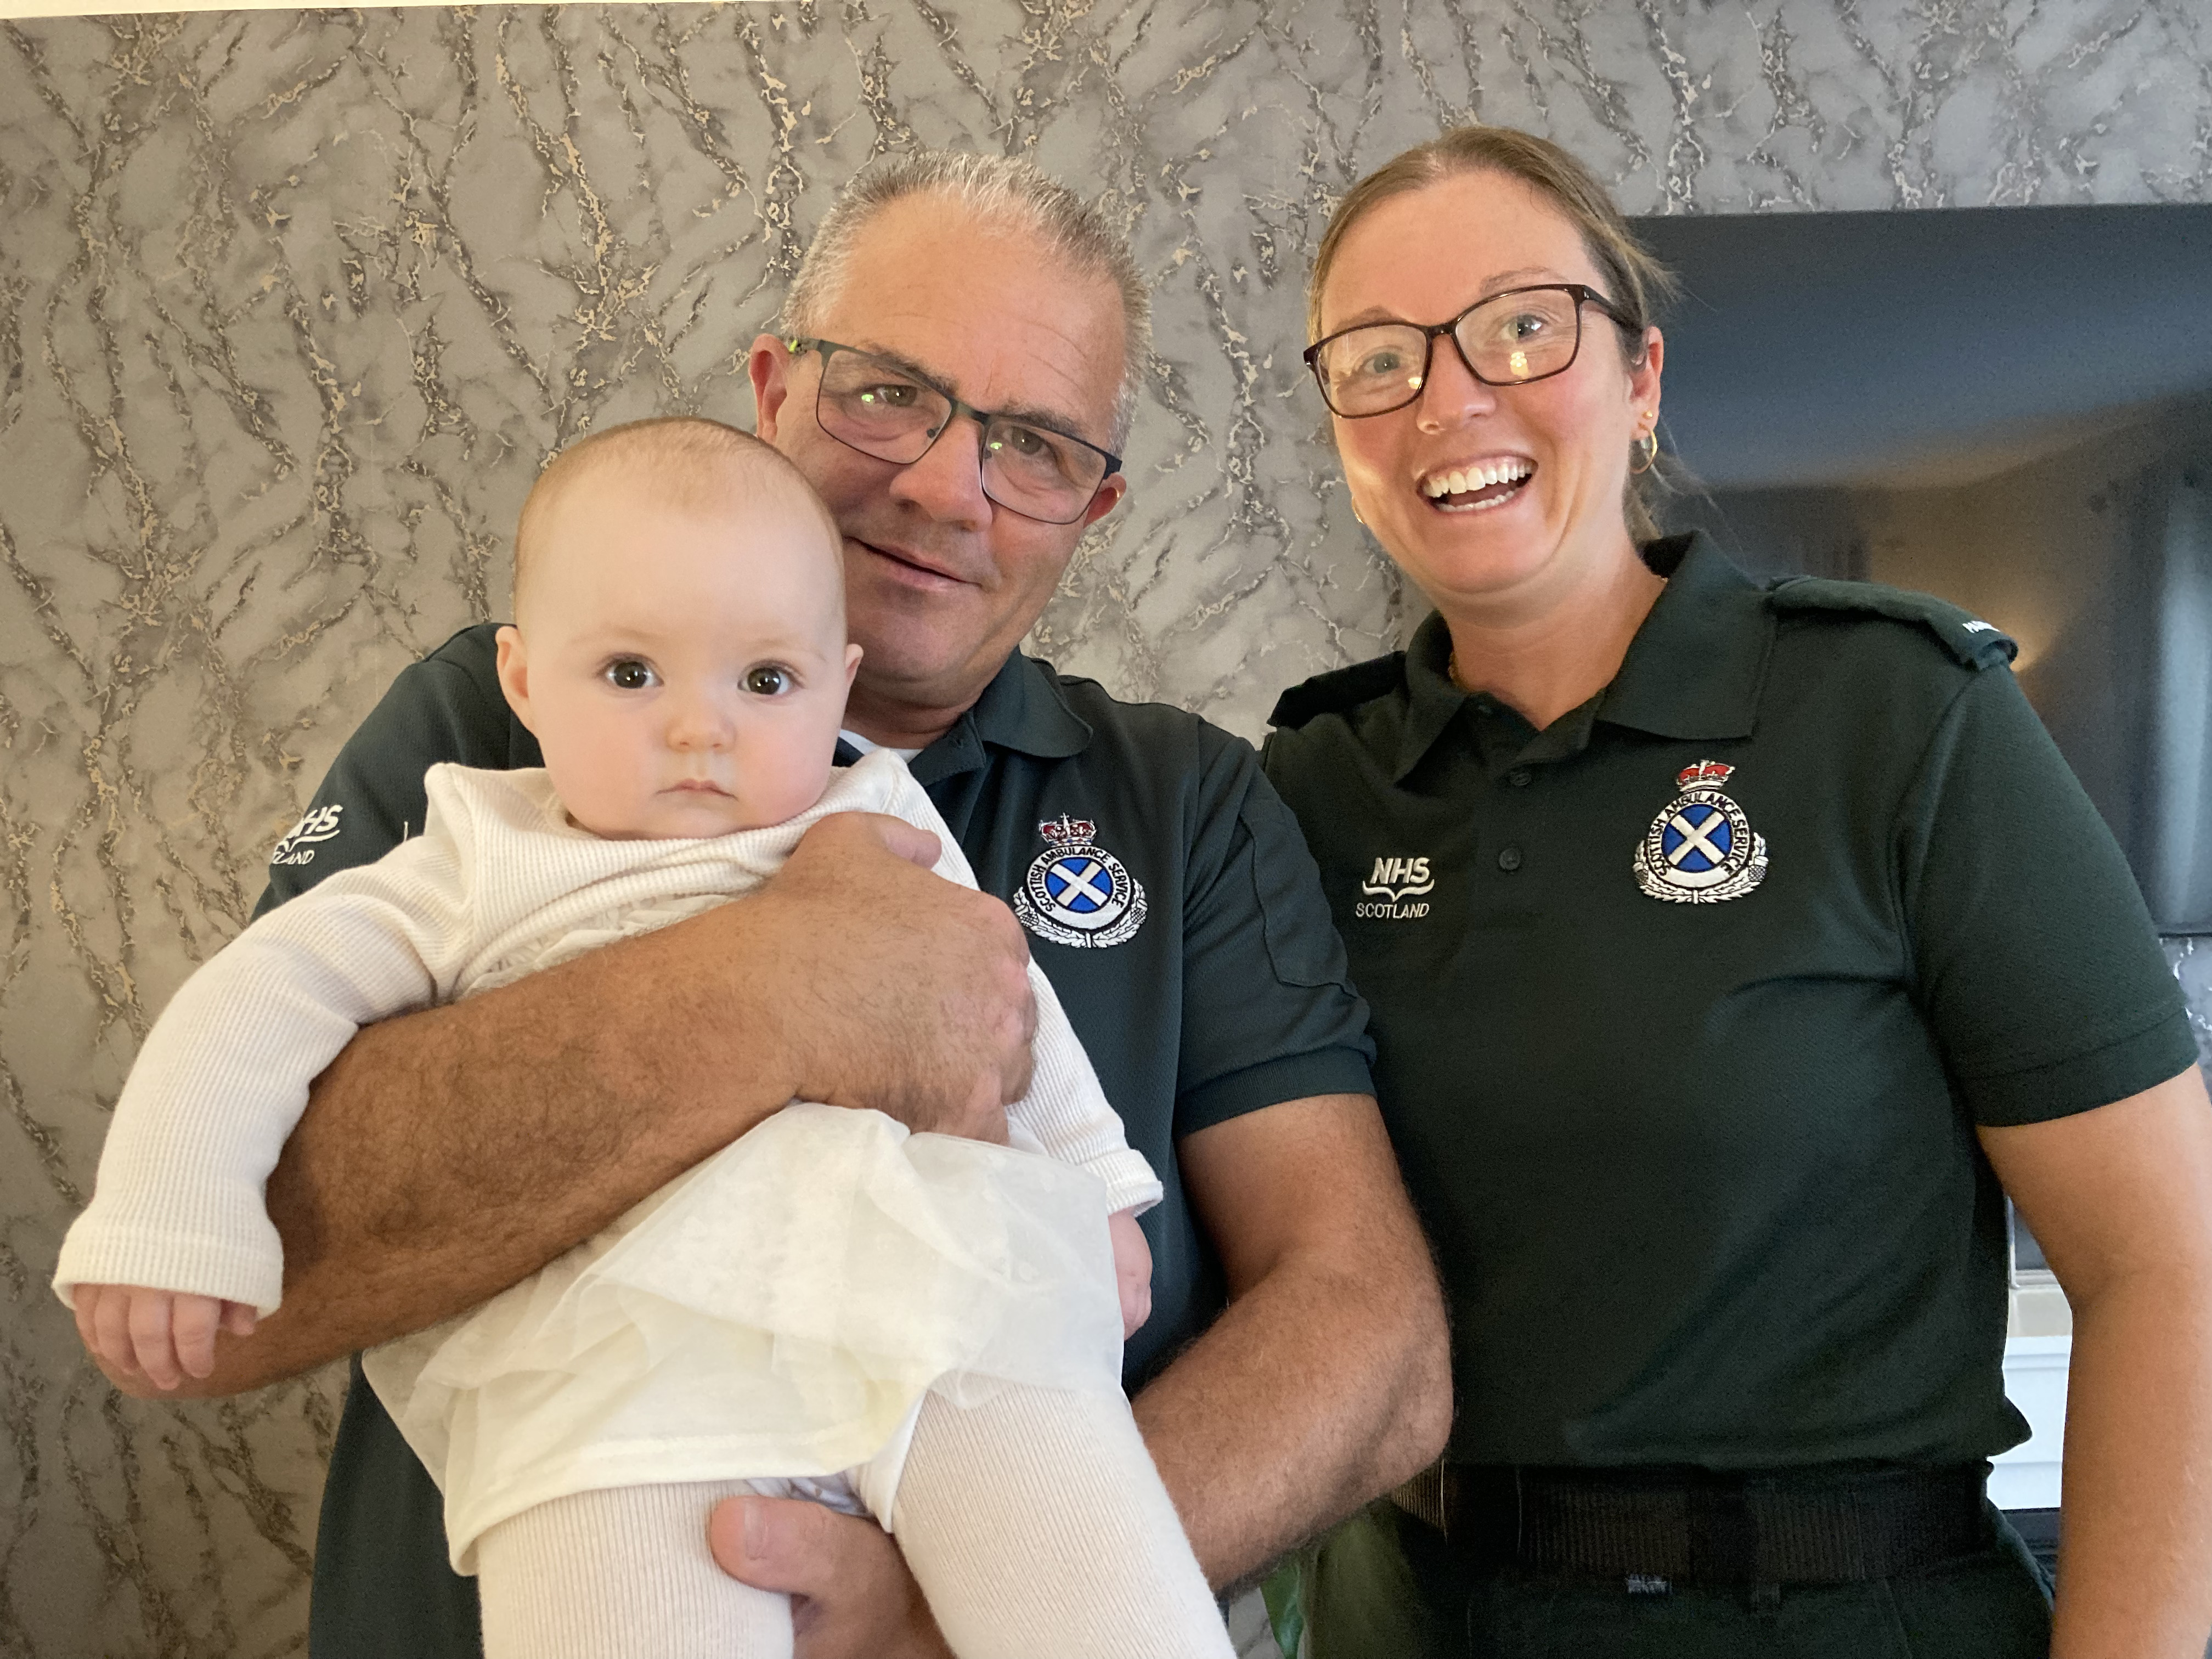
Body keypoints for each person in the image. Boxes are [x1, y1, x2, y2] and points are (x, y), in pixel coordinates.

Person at [77, 151, 1451, 1659]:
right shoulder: (493, 729)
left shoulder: (1179, 798)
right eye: (887, 392)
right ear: (773, 387)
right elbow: (234, 1272)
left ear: (1094, 505)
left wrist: (943, 1612)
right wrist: (778, 991)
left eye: (1038, 445)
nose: (944, 482)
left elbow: (1368, 1340)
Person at [1260, 123, 2212, 1659]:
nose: (1450, 398)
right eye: (1378, 358)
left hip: (1831, 1616)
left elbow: (2170, 1262)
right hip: (1414, 1618)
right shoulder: (1309, 785)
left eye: (1521, 327)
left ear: (1639, 382)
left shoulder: (1896, 715)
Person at [60, 419, 1236, 1659]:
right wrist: (169, 1208)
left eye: (764, 682)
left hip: (934, 1302)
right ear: (522, 681)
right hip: (614, 1376)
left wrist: (1096, 1185)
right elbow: (260, 1001)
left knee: (1117, 1609)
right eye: (631, 673)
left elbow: (1005, 994)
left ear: (838, 688)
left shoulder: (872, 817)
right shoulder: (473, 857)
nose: (700, 729)